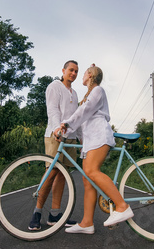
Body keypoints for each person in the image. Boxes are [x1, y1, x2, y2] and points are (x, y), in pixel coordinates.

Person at [55, 64, 134, 235]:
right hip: (90, 141)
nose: (80, 75)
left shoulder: (98, 91)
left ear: (90, 75)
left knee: (91, 171)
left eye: (83, 73)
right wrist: (65, 130)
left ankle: (122, 206)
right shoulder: (90, 95)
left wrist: (66, 123)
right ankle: (87, 223)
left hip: (99, 136)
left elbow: (84, 111)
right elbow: (82, 122)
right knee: (87, 180)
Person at [28, 60, 80, 231]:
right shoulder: (54, 86)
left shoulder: (74, 93)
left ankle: (55, 214)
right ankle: (37, 212)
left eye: (76, 71)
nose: (73, 73)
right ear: (63, 70)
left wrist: (82, 140)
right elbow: (52, 109)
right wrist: (58, 128)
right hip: (55, 135)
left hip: (70, 138)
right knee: (52, 172)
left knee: (63, 175)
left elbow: (76, 119)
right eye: (71, 70)